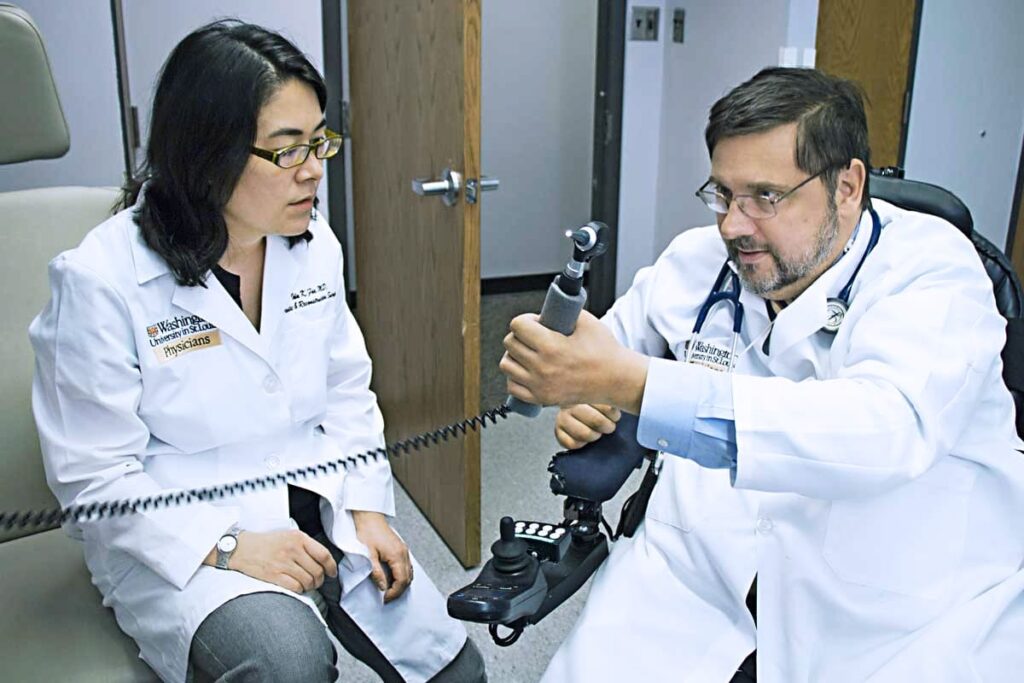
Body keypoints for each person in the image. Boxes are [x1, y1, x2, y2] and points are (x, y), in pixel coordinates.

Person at [501, 67, 1024, 681]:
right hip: (695, 569)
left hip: (896, 609)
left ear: (848, 186)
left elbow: (883, 431)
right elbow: (605, 350)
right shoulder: (694, 261)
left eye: (765, 197)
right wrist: (579, 391)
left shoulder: (935, 271)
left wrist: (630, 384)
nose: (732, 225)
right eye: (722, 194)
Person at [30, 21, 485, 683]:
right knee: (287, 664)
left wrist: (366, 509)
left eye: (320, 140)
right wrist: (231, 546)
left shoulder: (310, 244)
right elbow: (94, 480)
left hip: (311, 492)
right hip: (180, 531)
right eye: (286, 150)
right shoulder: (100, 280)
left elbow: (347, 389)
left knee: (455, 670)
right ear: (207, 154)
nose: (314, 170)